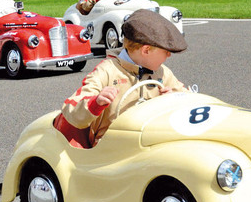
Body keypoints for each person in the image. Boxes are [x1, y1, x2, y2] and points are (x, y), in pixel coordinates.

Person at [59, 9, 188, 147]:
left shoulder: (162, 73)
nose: (168, 56)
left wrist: (176, 99)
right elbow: (71, 109)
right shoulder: (107, 71)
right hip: (112, 147)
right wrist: (96, 102)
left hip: (153, 142)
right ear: (146, 50)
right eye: (166, 52)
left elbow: (189, 98)